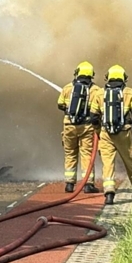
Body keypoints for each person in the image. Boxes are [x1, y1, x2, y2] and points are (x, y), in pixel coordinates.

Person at [92, 64, 132, 205]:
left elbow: (93, 116)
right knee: (131, 162)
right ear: (124, 78)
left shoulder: (99, 93)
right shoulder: (130, 93)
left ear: (108, 78)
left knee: (107, 165)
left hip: (106, 133)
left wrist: (99, 132)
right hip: (124, 133)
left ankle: (109, 194)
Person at [57, 61, 103, 193]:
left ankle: (69, 184)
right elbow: (99, 109)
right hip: (87, 127)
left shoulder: (67, 88)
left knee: (70, 154)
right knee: (87, 154)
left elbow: (60, 104)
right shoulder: (96, 90)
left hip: (69, 125)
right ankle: (88, 184)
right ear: (91, 75)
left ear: (77, 73)